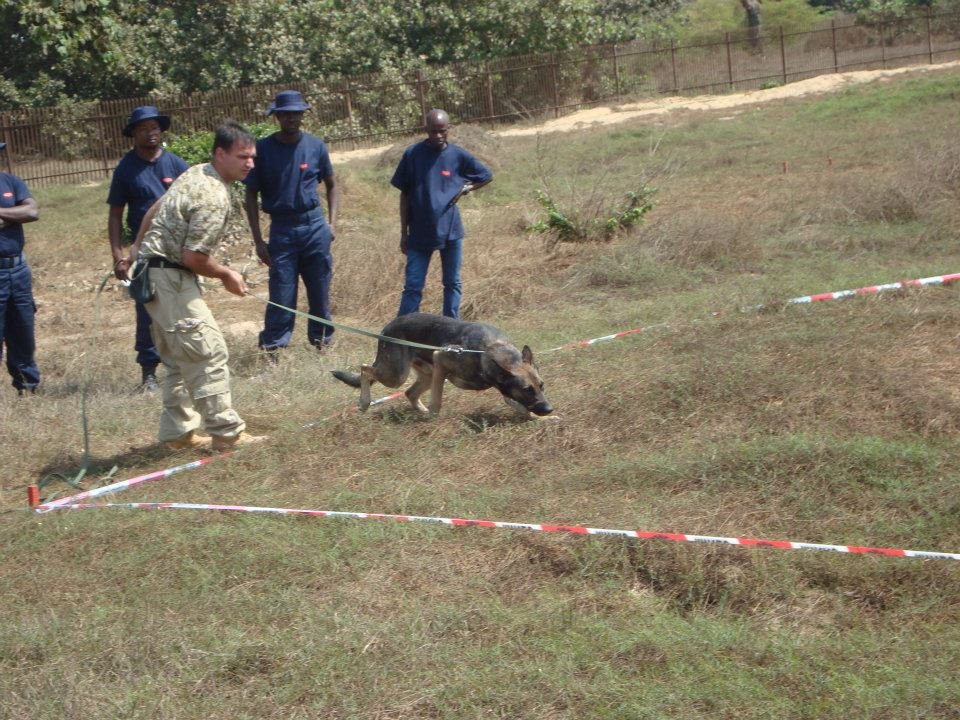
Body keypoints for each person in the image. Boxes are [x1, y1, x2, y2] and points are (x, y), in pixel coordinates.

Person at [125, 121, 264, 452]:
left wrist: (138, 249)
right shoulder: (214, 195)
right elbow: (194, 257)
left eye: (253, 157)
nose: (250, 164)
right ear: (220, 154)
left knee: (177, 357)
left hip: (157, 274)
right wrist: (228, 274)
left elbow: (155, 208)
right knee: (207, 351)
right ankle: (227, 434)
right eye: (242, 156)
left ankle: (178, 435)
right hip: (171, 276)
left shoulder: (196, 171)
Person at [243, 90, 338, 354]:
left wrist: (332, 224)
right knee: (282, 295)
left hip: (315, 227)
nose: (292, 119)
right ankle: (274, 349)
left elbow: (332, 184)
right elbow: (250, 193)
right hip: (282, 231)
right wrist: (258, 240)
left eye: (297, 113)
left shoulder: (316, 146)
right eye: (286, 114)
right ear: (277, 117)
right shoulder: (262, 149)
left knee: (319, 292)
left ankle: (322, 345)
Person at [108, 106, 190, 392]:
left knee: (183, 307)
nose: (150, 133)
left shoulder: (177, 165)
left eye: (154, 127)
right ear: (133, 134)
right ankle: (149, 372)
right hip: (143, 253)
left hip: (176, 250)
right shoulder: (126, 169)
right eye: (143, 129)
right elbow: (116, 214)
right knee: (147, 310)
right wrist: (119, 255)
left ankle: (183, 365)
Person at [391, 109, 492, 319]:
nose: (438, 136)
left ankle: (451, 328)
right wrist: (404, 233)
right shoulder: (413, 154)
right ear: (425, 129)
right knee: (413, 285)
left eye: (442, 131)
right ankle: (403, 332)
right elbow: (404, 195)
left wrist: (467, 188)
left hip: (451, 231)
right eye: (433, 131)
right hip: (419, 232)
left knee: (452, 282)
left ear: (449, 130)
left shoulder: (458, 155)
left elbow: (486, 175)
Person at [0, 142, 41, 396]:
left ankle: (27, 388)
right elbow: (22, 211)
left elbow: (32, 210)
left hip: (18, 272)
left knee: (23, 330)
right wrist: (14, 214)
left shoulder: (11, 182)